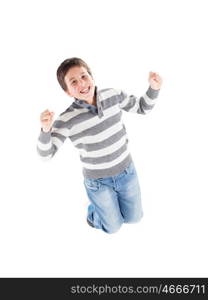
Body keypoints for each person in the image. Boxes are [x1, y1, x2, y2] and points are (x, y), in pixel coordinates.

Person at [37, 57, 162, 234]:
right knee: (113, 228)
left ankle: (108, 208)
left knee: (134, 218)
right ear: (67, 92)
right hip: (98, 183)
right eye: (73, 82)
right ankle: (94, 214)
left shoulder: (114, 95)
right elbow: (45, 154)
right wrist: (45, 129)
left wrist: (154, 88)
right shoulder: (67, 120)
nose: (82, 83)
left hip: (127, 173)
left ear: (91, 76)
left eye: (84, 76)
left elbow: (142, 107)